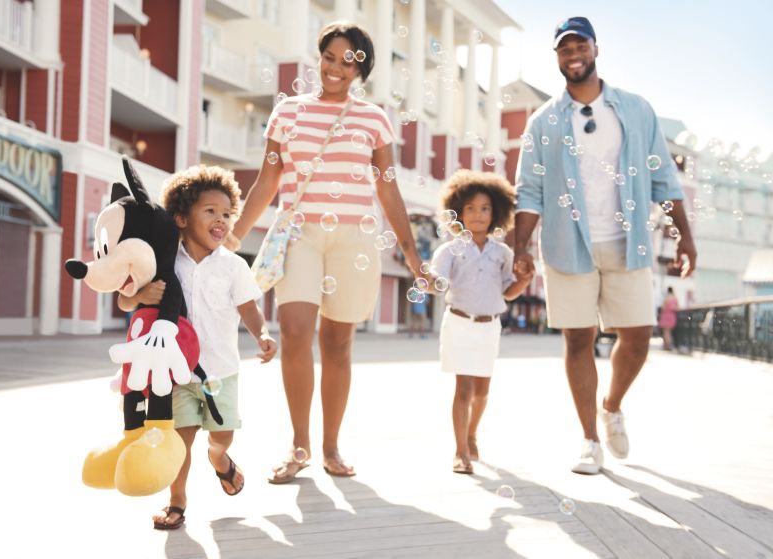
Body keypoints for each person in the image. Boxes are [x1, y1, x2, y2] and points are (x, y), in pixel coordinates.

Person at [231, 22, 425, 483]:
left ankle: (330, 446)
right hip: (299, 233)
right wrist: (232, 239)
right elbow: (267, 182)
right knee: (296, 331)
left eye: (349, 61)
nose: (337, 68)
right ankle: (299, 446)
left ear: (362, 70)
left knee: (337, 343)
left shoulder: (374, 119)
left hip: (355, 238)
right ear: (318, 58)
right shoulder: (287, 113)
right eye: (330, 57)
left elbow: (389, 190)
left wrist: (412, 254)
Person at [513, 17, 697, 475]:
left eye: (580, 45)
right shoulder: (543, 121)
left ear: (596, 49)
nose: (572, 54)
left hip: (627, 239)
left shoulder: (635, 110)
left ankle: (611, 405)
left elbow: (662, 178)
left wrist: (684, 238)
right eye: (563, 48)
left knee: (637, 338)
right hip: (566, 243)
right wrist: (519, 247)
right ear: (556, 57)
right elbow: (529, 191)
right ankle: (589, 441)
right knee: (578, 339)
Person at [119, 165, 278, 529]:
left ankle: (220, 459)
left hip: (220, 370)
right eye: (210, 211)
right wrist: (141, 294)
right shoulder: (162, 263)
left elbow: (248, 307)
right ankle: (177, 502)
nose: (221, 220)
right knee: (179, 443)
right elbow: (126, 302)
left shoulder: (234, 266)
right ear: (180, 218)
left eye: (226, 214)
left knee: (222, 436)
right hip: (175, 373)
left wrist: (263, 335)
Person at [431, 170, 533, 474]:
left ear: (496, 213)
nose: (478, 215)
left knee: (481, 392)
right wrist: (428, 281)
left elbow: (509, 291)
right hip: (460, 324)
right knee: (463, 389)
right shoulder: (449, 250)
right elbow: (437, 279)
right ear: (458, 212)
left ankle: (472, 432)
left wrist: (524, 282)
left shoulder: (503, 253)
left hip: (489, 326)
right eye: (471, 208)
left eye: (485, 208)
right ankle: (460, 450)